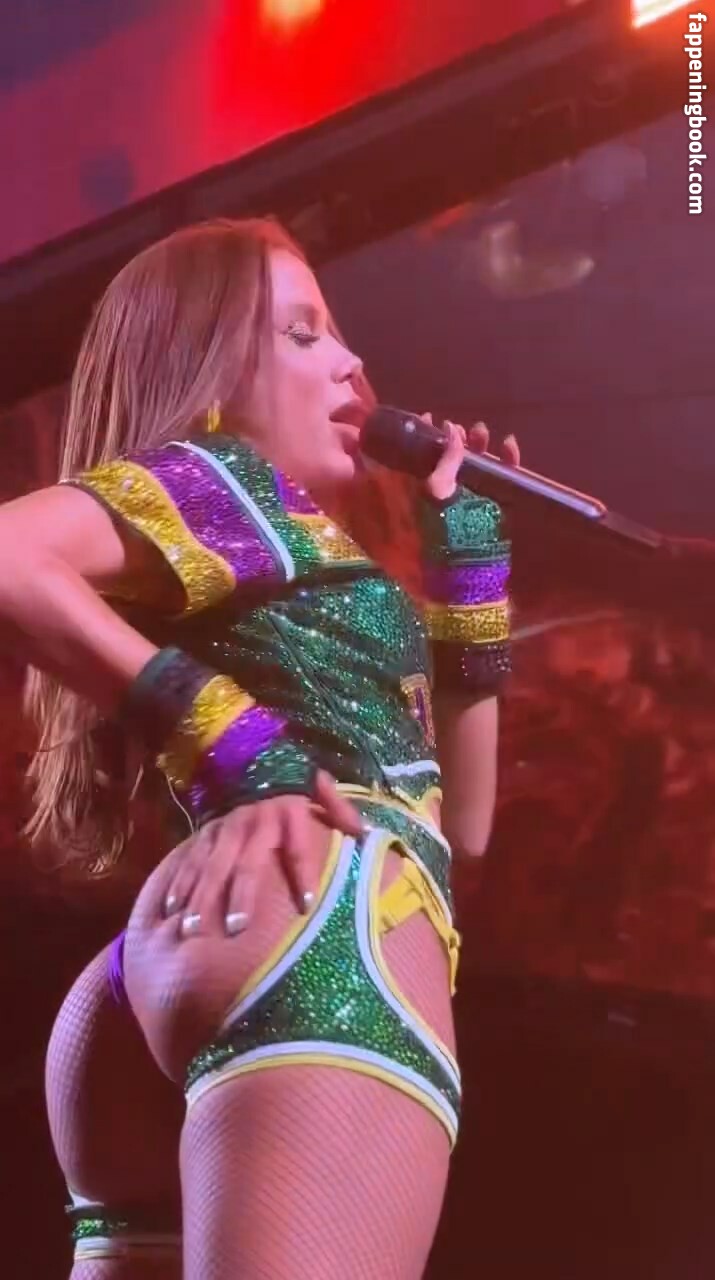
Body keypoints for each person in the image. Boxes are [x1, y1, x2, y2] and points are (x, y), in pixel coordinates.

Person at [0, 218, 515, 1280]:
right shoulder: (218, 476)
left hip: (173, 957)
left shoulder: (275, 532)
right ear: (209, 374)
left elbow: (462, 825)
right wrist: (234, 740)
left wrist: (469, 567)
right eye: (301, 333)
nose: (352, 363)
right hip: (319, 929)